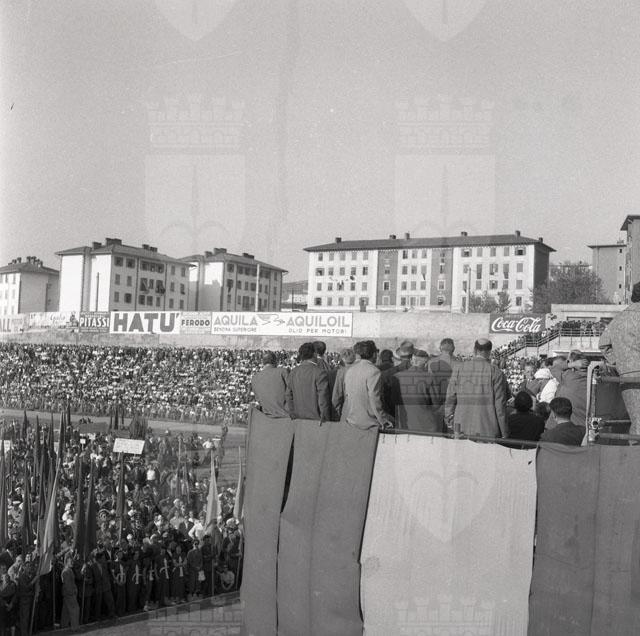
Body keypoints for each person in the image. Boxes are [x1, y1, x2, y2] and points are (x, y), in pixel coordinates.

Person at [445, 338, 508, 439]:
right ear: (489, 352)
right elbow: (500, 406)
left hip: (461, 427)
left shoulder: (459, 368)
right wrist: (504, 432)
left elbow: (450, 396)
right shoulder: (496, 372)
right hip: (487, 429)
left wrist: (449, 418)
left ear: (474, 350)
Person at [599, 282, 640, 434]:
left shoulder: (618, 319)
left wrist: (620, 362)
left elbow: (603, 344)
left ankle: (634, 447)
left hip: (628, 376)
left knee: (637, 419)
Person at [340, 340, 394, 431]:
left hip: (352, 420)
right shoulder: (374, 371)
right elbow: (374, 399)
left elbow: (347, 396)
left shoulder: (350, 370)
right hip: (369, 422)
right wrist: (383, 420)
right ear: (374, 354)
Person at [387, 350, 442, 432]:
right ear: (426, 364)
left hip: (402, 424)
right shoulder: (429, 377)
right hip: (425, 425)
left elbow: (392, 401)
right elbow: (436, 404)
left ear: (411, 361)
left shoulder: (396, 376)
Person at [285, 342, 331, 421]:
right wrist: (325, 418)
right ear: (314, 354)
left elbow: (288, 395)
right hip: (316, 419)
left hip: (298, 417)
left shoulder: (293, 372)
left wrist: (292, 413)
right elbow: (323, 399)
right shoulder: (319, 373)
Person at [554, 350, 589, 427]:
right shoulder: (594, 378)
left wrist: (571, 364)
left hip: (573, 424)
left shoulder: (568, 377)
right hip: (588, 424)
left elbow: (554, 369)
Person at [250, 351, 290, 418]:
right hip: (286, 414)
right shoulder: (283, 371)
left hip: (267, 415)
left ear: (263, 362)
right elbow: (292, 392)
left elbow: (258, 399)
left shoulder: (254, 378)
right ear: (275, 361)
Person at [331, 348, 356, 420]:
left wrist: (335, 415)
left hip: (347, 411)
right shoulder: (361, 370)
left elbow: (337, 395)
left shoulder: (341, 372)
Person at [60, 553, 80, 631]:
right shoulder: (66, 572)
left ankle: (64, 626)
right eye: (70, 561)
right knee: (75, 609)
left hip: (68, 594)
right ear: (66, 561)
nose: (72, 562)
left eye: (72, 561)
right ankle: (75, 627)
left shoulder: (69, 570)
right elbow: (68, 585)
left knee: (66, 611)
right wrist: (73, 592)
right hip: (69, 594)